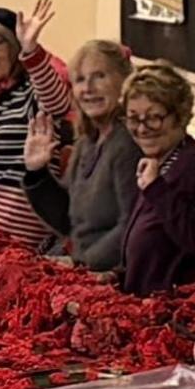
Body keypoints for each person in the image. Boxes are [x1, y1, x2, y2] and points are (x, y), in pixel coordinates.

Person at [0, 4, 75, 253]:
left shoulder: (32, 94)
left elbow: (59, 103)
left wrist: (31, 51)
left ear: (13, 47)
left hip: (10, 246)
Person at [116, 63, 195, 296]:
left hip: (169, 311)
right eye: (133, 119)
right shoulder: (157, 162)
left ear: (180, 116)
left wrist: (157, 189)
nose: (143, 129)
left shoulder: (193, 165)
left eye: (154, 118)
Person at [55, 40, 139, 273]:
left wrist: (80, 264)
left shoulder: (128, 143)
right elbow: (66, 217)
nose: (88, 88)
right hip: (82, 264)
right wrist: (36, 172)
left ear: (124, 82)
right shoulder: (87, 141)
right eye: (80, 80)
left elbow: (132, 226)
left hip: (113, 275)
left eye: (99, 76)